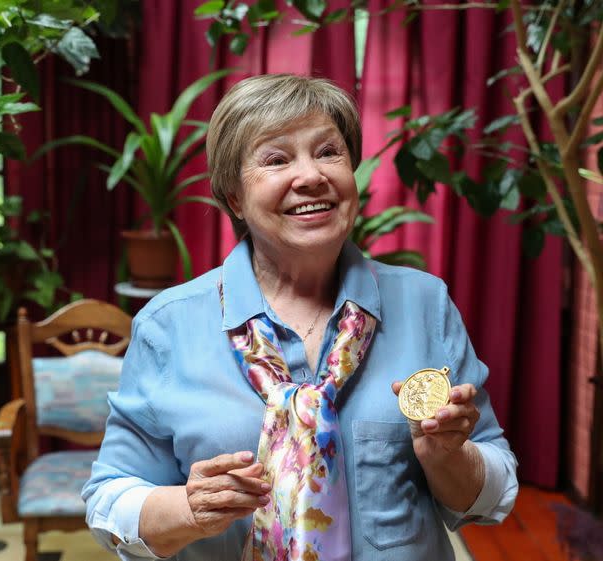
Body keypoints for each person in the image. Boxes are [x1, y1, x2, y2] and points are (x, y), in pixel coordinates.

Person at [82, 74, 518, 561]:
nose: (311, 176)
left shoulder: (424, 303)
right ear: (234, 199)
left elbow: (493, 493)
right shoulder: (167, 325)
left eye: (329, 152)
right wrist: (187, 508)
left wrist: (448, 458)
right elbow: (109, 501)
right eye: (276, 159)